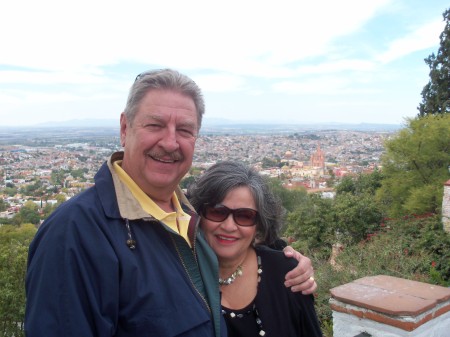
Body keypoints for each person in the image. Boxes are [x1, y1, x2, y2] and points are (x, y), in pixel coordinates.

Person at [25, 69, 316, 337]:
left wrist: (285, 262)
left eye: (185, 130)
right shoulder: (76, 233)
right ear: (125, 128)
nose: (170, 142)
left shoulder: (189, 219)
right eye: (155, 124)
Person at [188, 161, 322, 337]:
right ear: (199, 215)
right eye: (217, 212)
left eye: (244, 216)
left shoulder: (288, 274)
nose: (229, 226)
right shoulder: (181, 273)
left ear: (259, 224)